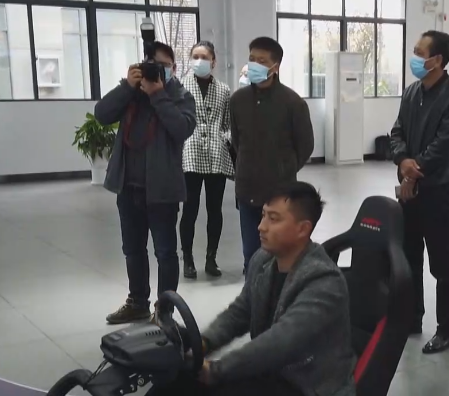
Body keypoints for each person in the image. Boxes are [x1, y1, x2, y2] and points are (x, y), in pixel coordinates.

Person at [122, 182, 361, 396]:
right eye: (263, 215)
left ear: (303, 229)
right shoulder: (264, 260)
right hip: (270, 377)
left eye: (273, 219)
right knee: (176, 378)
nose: (261, 226)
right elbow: (240, 312)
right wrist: (202, 344)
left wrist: (217, 371)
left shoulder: (324, 282)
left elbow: (279, 343)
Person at [95, 42, 197, 325]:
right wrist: (127, 87)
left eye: (162, 65)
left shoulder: (180, 96)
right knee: (132, 249)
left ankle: (164, 311)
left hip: (162, 190)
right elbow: (102, 114)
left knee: (165, 252)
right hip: (128, 186)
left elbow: (181, 129)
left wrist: (158, 96)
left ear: (174, 68)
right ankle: (137, 302)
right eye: (150, 64)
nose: (156, 70)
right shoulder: (131, 94)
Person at [389, 30, 449, 354]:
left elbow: (445, 144)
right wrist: (402, 161)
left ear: (436, 60)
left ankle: (447, 328)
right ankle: (412, 318)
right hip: (409, 190)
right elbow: (397, 132)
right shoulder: (412, 91)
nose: (415, 57)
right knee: (409, 257)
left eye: (420, 53)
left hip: (436, 191)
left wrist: (414, 170)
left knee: (441, 262)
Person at [230, 37, 314, 274]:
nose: (254, 65)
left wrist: (283, 169)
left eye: (262, 61)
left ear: (275, 67)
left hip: (280, 193)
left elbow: (305, 146)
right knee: (251, 256)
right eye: (252, 59)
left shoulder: (293, 103)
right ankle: (253, 297)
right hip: (247, 190)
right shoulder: (238, 100)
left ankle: (278, 297)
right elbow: (237, 141)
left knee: (279, 255)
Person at [180, 41, 234, 279]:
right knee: (189, 209)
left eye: (204, 57)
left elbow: (228, 123)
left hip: (216, 155)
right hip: (191, 154)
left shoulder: (223, 89)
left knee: (215, 210)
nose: (199, 61)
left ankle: (211, 258)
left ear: (213, 61)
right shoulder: (181, 87)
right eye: (195, 56)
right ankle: (188, 259)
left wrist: (224, 138)